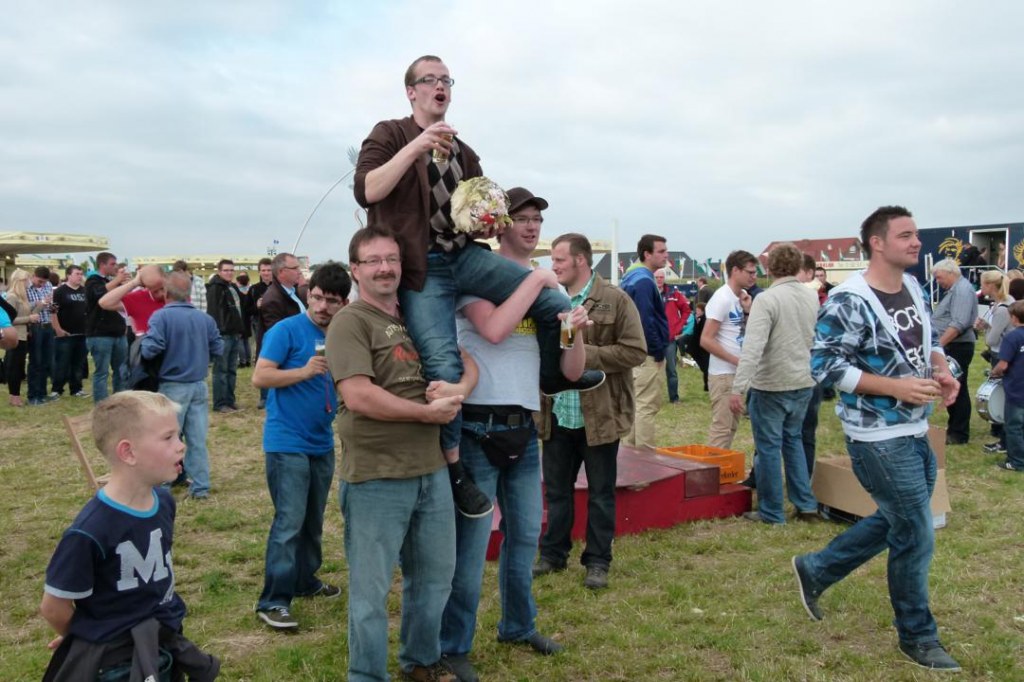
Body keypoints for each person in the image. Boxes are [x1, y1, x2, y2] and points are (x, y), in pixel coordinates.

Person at [353, 54, 603, 501]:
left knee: (556, 303)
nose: (440, 86)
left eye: (446, 80)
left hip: (463, 256)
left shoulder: (465, 153)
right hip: (422, 265)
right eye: (430, 79)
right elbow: (368, 190)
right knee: (444, 367)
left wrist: (489, 223)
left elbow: (477, 214)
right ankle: (454, 467)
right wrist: (417, 146)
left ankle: (556, 377)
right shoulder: (390, 133)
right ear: (411, 91)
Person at [793, 205, 962, 672]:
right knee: (916, 534)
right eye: (905, 235)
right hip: (877, 436)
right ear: (877, 242)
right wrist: (894, 387)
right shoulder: (849, 299)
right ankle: (918, 635)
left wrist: (942, 370)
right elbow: (824, 367)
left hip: (916, 427)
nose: (916, 242)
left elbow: (928, 341)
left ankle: (817, 567)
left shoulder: (913, 287)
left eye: (915, 234)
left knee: (900, 520)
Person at [439, 188, 582, 681]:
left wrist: (574, 330)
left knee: (524, 536)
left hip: (524, 425)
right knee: (472, 546)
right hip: (478, 426)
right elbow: (495, 330)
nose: (531, 225)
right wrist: (539, 279)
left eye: (537, 218)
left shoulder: (544, 288)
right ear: (499, 224)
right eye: (521, 218)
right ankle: (453, 646)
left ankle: (518, 626)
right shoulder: (480, 276)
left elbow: (567, 367)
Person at [327, 225, 474, 682]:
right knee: (371, 591)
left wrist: (460, 388)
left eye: (391, 259)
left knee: (434, 580)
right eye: (373, 260)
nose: (385, 268)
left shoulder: (416, 316)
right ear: (355, 270)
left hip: (430, 471)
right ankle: (367, 675)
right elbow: (358, 395)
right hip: (376, 475)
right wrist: (426, 414)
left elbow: (465, 361)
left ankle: (421, 662)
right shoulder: (350, 322)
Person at [39, 391, 220, 681]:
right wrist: (85, 638)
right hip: (117, 663)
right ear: (128, 452)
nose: (181, 446)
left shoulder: (164, 501)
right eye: (168, 438)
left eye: (178, 435)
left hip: (163, 642)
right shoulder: (89, 530)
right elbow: (53, 608)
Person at [534, 233, 647, 591]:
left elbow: (636, 351)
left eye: (559, 260)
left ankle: (597, 562)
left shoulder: (615, 299)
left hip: (600, 416)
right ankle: (553, 554)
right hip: (557, 414)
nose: (553, 266)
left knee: (601, 494)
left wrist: (582, 354)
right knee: (556, 493)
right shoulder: (548, 299)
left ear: (580, 260)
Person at [253, 262, 351, 630]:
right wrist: (304, 371)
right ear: (308, 295)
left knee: (312, 520)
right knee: (289, 521)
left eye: (332, 301)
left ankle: (305, 580)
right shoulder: (286, 330)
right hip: (286, 442)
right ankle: (274, 601)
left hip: (321, 442)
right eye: (318, 298)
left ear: (344, 303)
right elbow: (260, 376)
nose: (323, 307)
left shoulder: (342, 334)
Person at [729, 244, 820, 524]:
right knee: (793, 442)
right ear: (798, 266)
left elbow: (753, 347)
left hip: (772, 384)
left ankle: (771, 511)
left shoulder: (767, 300)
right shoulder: (811, 297)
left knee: (768, 448)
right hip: (803, 380)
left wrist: (738, 387)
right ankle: (805, 504)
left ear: (769, 268)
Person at [142, 271, 224, 500]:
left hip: (172, 386)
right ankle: (200, 487)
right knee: (197, 440)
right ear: (188, 293)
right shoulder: (204, 319)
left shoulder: (160, 317)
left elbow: (150, 350)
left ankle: (163, 484)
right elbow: (218, 347)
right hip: (198, 383)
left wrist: (142, 342)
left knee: (167, 438)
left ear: (166, 292)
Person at [700, 250, 756, 449]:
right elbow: (706, 340)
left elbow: (742, 332)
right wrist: (736, 360)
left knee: (731, 428)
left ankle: (721, 466)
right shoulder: (722, 298)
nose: (754, 277)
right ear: (735, 271)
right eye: (750, 272)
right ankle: (712, 468)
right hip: (723, 374)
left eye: (755, 272)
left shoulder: (741, 297)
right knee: (722, 429)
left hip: (736, 373)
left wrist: (747, 311)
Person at [620, 235, 670, 447]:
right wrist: (657, 352)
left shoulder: (632, 276)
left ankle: (629, 456)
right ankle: (645, 459)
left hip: (633, 352)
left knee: (635, 405)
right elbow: (645, 320)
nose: (666, 255)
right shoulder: (644, 281)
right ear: (647, 254)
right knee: (646, 406)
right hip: (646, 354)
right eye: (661, 251)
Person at [931, 258, 976, 445]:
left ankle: (959, 433)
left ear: (951, 273)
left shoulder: (962, 290)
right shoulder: (955, 289)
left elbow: (959, 323)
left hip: (957, 346)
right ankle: (954, 429)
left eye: (939, 277)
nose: (937, 282)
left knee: (957, 387)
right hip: (952, 345)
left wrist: (938, 345)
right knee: (952, 386)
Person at [256, 252, 307, 409]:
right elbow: (277, 335)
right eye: (295, 268)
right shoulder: (274, 298)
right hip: (289, 357)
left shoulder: (291, 292)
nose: (299, 271)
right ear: (281, 272)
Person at [975, 270, 1014, 454]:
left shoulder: (1002, 309)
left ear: (990, 285)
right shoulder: (1004, 303)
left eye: (982, 284)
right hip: (1006, 353)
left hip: (1001, 354)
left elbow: (992, 340)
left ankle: (1005, 442)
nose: (981, 287)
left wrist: (986, 329)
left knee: (1005, 399)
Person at [85, 253, 130, 402]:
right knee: (102, 372)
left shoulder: (110, 281)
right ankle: (101, 404)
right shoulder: (92, 280)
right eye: (112, 264)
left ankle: (120, 402)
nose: (115, 267)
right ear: (102, 265)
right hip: (100, 334)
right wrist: (118, 280)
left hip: (118, 333)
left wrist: (125, 283)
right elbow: (98, 294)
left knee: (121, 370)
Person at [206, 259, 246, 412]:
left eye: (231, 270)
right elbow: (213, 313)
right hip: (222, 335)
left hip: (234, 334)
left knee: (231, 370)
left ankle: (229, 401)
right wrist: (218, 333)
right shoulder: (215, 288)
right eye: (226, 270)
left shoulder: (231, 287)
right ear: (219, 271)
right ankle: (220, 403)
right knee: (221, 371)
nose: (229, 273)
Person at [990, 300, 1024, 472]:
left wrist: (993, 372)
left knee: (1014, 427)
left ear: (1014, 318)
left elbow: (1003, 365)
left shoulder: (1012, 337)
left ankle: (1017, 462)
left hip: (1017, 389)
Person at [51, 265, 90, 398]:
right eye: (77, 274)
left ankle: (76, 389)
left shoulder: (85, 291)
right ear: (68, 275)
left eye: (81, 274)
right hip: (65, 334)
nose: (80, 276)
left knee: (78, 363)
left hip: (83, 333)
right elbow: (53, 312)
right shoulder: (59, 291)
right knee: (62, 363)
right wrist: (57, 329)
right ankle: (57, 389)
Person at [4, 270, 39, 407]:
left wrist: (39, 307)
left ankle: (15, 396)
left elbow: (26, 316)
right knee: (14, 367)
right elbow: (9, 320)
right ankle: (14, 397)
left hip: (23, 335)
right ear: (20, 281)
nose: (28, 283)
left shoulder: (22, 297)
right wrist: (29, 318)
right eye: (26, 280)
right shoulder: (12, 297)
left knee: (19, 368)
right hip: (15, 336)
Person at [656, 268, 690, 404]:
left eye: (661, 277)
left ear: (664, 278)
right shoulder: (648, 293)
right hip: (654, 338)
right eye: (656, 277)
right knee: (652, 371)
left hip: (669, 339)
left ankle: (674, 398)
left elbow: (686, 310)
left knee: (671, 369)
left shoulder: (673, 293)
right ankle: (652, 398)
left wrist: (679, 326)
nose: (659, 279)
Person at [26, 266, 56, 405]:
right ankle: (33, 395)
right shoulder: (26, 288)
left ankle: (42, 393)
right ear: (33, 276)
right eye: (40, 281)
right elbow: (24, 307)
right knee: (35, 362)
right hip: (35, 327)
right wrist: (39, 303)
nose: (42, 284)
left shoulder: (48, 285)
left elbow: (50, 306)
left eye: (44, 282)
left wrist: (52, 306)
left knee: (46, 361)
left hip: (47, 325)